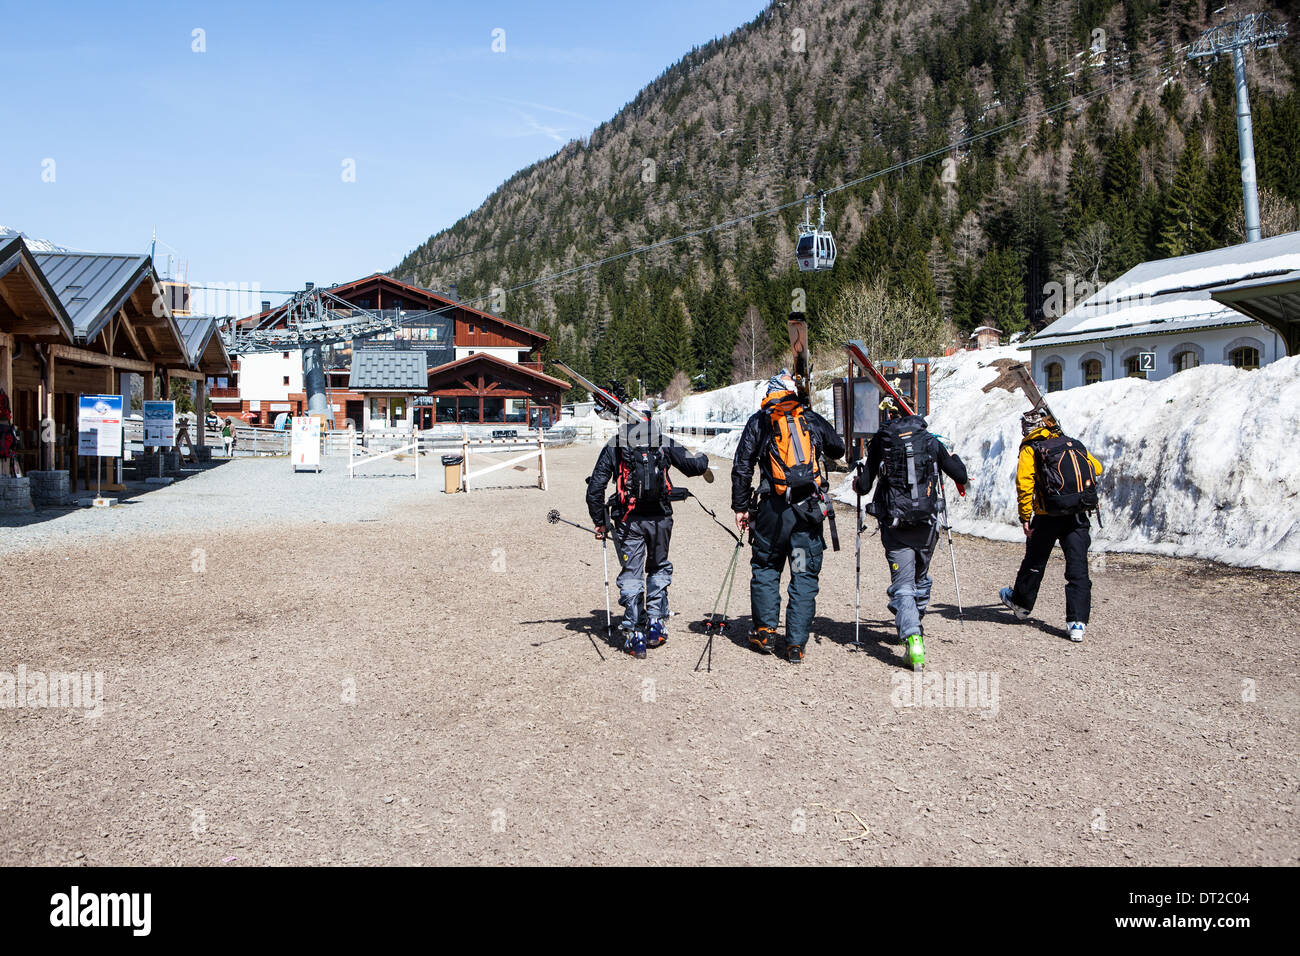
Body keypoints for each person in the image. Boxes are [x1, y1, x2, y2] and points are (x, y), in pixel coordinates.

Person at [732, 371, 845, 664]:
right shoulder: (809, 418)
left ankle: (766, 632)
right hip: (806, 513)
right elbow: (838, 448)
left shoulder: (761, 420)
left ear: (770, 392)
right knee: (803, 573)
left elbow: (742, 466)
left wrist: (741, 507)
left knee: (767, 566)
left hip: (772, 513)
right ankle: (795, 644)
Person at [586, 404, 710, 658]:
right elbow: (693, 467)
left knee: (632, 573)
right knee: (658, 566)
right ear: (650, 419)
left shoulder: (616, 444)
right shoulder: (662, 441)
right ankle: (656, 623)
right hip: (661, 518)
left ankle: (635, 634)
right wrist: (704, 458)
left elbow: (595, 488)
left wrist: (600, 521)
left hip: (628, 520)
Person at [853, 402, 968, 670]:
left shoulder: (882, 442)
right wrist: (956, 457)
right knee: (920, 577)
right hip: (927, 524)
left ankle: (913, 637)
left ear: (889, 416)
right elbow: (960, 474)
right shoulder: (930, 441)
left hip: (895, 525)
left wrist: (858, 482)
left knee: (903, 583)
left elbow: (865, 485)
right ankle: (916, 620)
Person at [999, 410, 1103, 642]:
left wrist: (1025, 516)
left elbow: (1024, 484)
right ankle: (1077, 622)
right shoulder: (1070, 442)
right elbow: (1097, 468)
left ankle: (1021, 605)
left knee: (1035, 562)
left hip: (1047, 515)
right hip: (1077, 514)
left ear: (1027, 428)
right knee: (1078, 567)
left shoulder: (1031, 448)